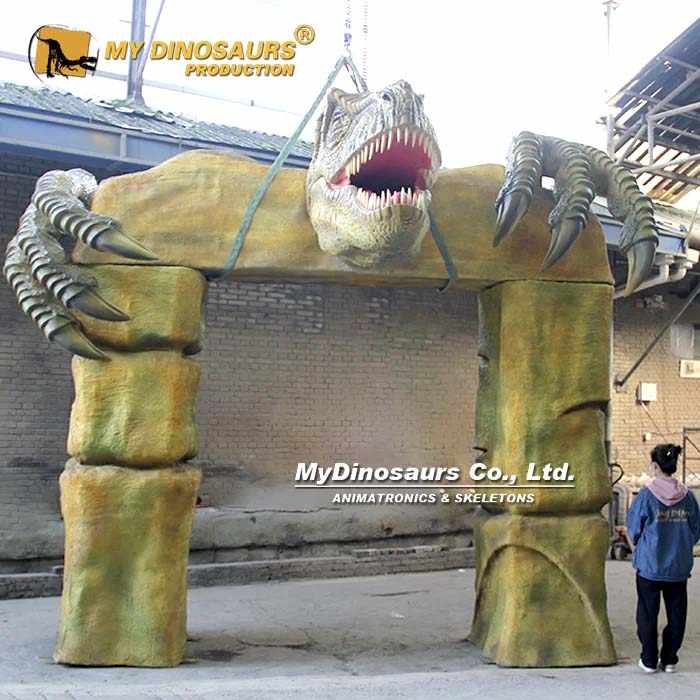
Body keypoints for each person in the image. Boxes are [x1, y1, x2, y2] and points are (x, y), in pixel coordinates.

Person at [627, 443, 700, 673]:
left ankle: (649, 660)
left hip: (650, 566)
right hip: (678, 567)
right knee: (677, 614)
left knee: (647, 613)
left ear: (655, 466)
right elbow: (696, 530)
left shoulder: (646, 496)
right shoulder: (688, 497)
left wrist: (640, 546)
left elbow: (633, 529)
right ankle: (669, 659)